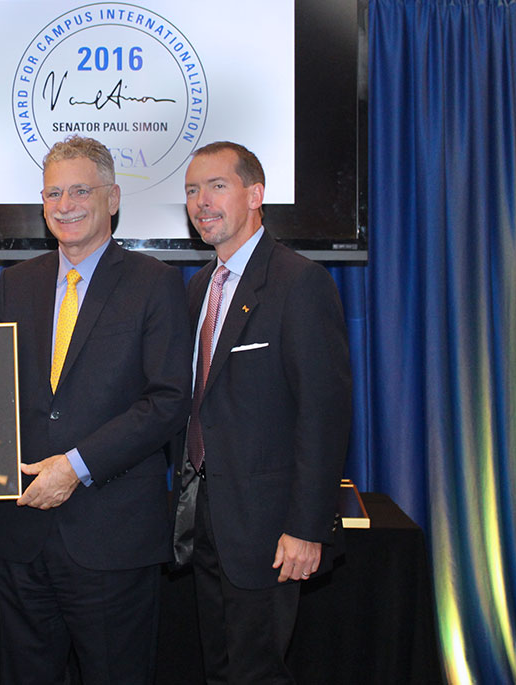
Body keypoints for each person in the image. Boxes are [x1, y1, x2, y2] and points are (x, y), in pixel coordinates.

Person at [0, 135, 192, 684]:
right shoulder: (15, 283)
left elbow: (169, 399)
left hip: (112, 537)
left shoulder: (155, 283)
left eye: (80, 190)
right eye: (53, 193)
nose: (65, 204)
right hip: (23, 535)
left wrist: (75, 466)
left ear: (113, 198)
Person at [175, 141, 352, 683]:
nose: (201, 201)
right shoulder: (200, 286)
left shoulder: (300, 283)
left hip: (270, 532)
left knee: (258, 674)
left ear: (256, 194)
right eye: (191, 190)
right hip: (205, 521)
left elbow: (324, 415)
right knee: (220, 670)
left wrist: (306, 527)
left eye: (216, 186)